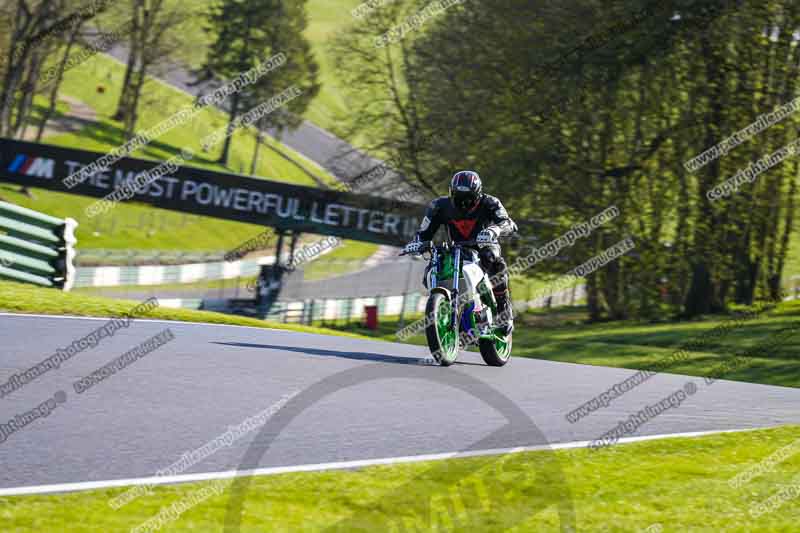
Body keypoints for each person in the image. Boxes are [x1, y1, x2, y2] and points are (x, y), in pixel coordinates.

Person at [404, 170, 517, 334]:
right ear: (451, 193)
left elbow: (509, 223)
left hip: (483, 246)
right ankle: (444, 308)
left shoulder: (490, 202)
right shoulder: (438, 206)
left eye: (468, 198)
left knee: (494, 260)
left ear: (478, 194)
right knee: (432, 268)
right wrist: (416, 243)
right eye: (458, 197)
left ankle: (503, 309)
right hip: (456, 249)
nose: (463, 203)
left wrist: (495, 230)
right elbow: (424, 232)